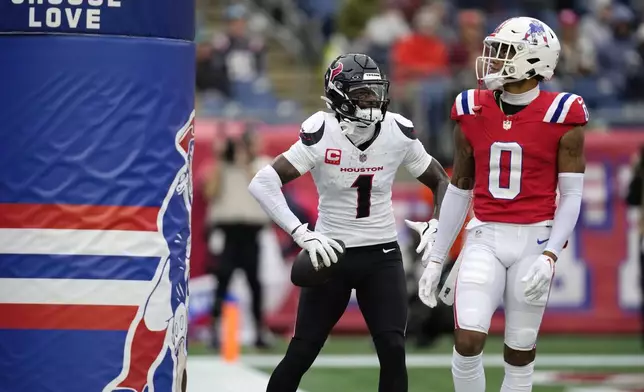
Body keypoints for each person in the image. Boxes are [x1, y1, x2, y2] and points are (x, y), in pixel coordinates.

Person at [248, 53, 449, 392]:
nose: (372, 101)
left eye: (375, 93)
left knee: (393, 349)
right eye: (362, 94)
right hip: (331, 253)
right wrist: (302, 234)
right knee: (302, 351)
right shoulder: (322, 132)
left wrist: (438, 224)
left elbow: (441, 180)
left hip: (381, 254)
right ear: (339, 96)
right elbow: (262, 182)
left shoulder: (397, 132)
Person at [415, 17, 588, 392]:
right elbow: (460, 188)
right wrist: (435, 258)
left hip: (535, 239)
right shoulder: (471, 107)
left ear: (534, 59)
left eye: (504, 52)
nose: (492, 59)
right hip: (486, 236)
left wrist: (551, 255)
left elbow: (572, 195)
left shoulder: (563, 114)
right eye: (494, 50)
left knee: (520, 352)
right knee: (467, 341)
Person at [205, 126, 273, 349]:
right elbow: (210, 192)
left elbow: (263, 186)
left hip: (251, 231)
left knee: (255, 283)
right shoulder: (223, 168)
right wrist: (220, 159)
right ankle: (214, 330)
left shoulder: (262, 163)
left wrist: (243, 162)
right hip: (228, 232)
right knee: (222, 281)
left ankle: (259, 331)